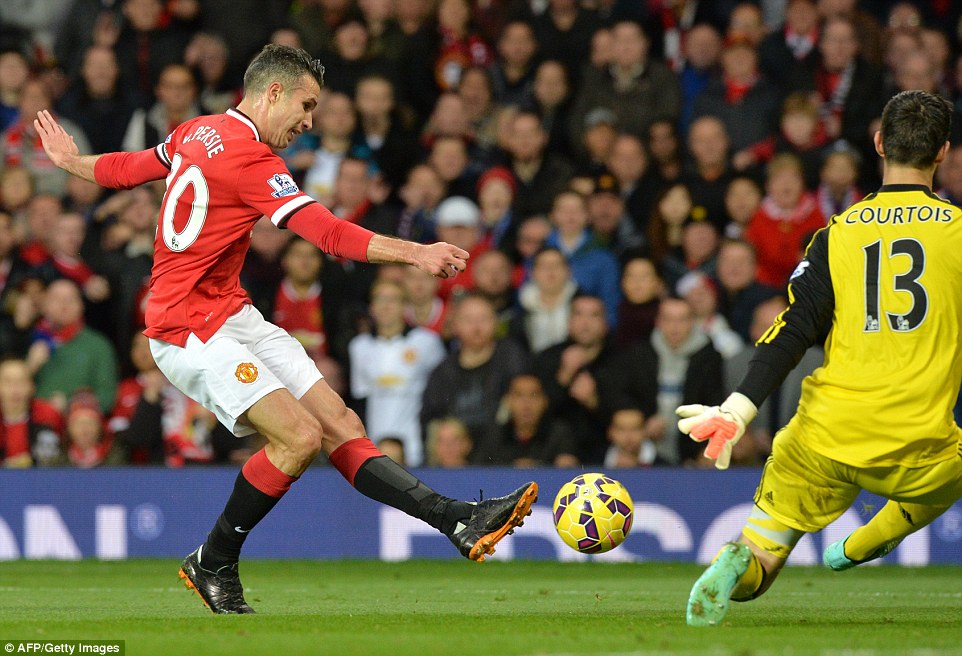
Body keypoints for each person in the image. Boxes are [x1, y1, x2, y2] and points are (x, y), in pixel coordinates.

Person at [35, 44, 537, 615]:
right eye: (306, 105)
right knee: (297, 438)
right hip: (187, 329)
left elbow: (129, 169)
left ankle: (457, 520)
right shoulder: (253, 160)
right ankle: (213, 560)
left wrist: (70, 161)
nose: (309, 122)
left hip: (231, 314)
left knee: (339, 424)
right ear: (273, 92)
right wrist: (415, 252)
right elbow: (328, 234)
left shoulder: (196, 130)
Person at [677, 90, 962, 627]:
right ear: (943, 151)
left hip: (824, 435)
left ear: (879, 144)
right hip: (917, 442)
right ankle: (865, 542)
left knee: (764, 554)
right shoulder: (958, 232)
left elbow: (792, 329)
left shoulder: (837, 234)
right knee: (953, 473)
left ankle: (740, 563)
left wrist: (737, 408)